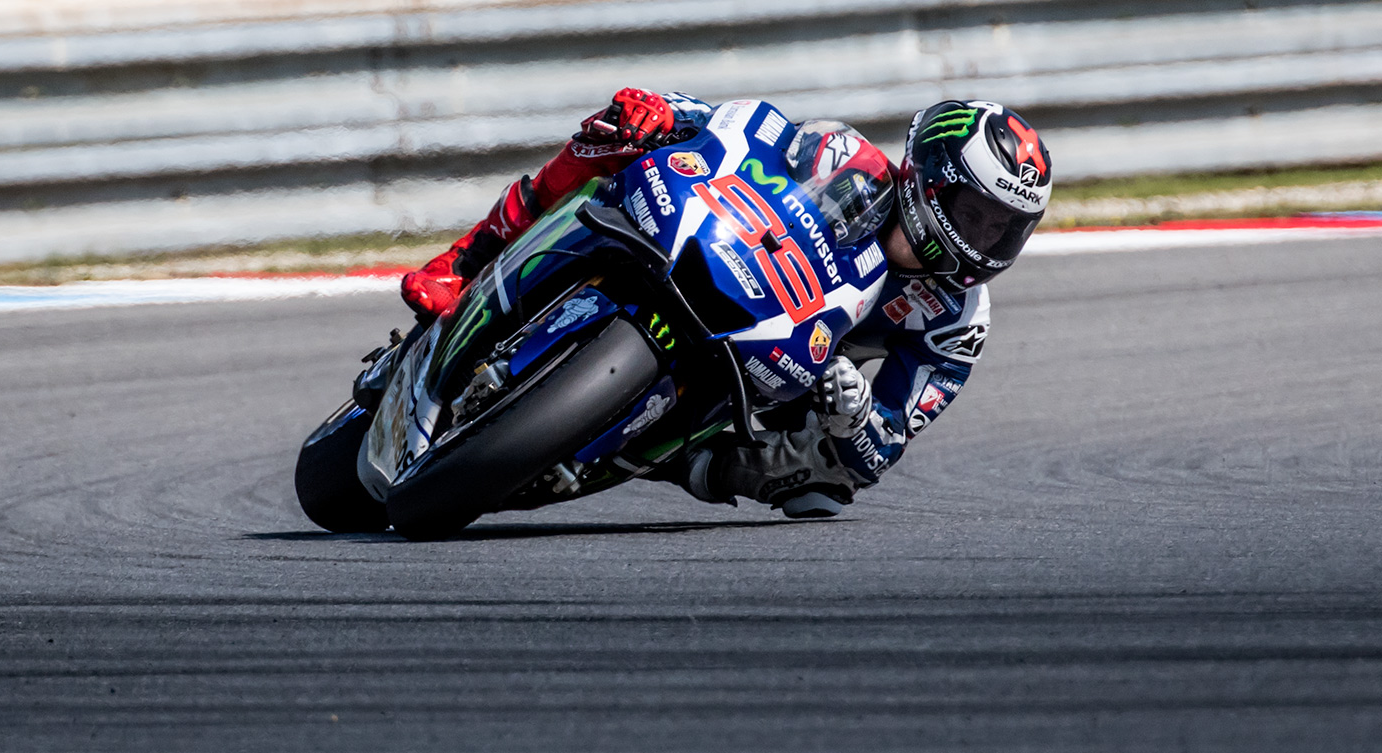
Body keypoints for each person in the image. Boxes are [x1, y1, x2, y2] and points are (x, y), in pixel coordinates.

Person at [398, 89, 1053, 518]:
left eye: (1004, 229)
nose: (985, 239)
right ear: (933, 178)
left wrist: (854, 416)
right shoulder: (845, 158)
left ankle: (694, 461)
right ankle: (466, 259)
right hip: (724, 259)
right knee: (616, 129)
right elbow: (744, 131)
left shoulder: (958, 319)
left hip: (783, 385)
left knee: (824, 491)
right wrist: (669, 115)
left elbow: (885, 447)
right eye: (975, 214)